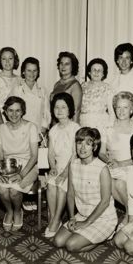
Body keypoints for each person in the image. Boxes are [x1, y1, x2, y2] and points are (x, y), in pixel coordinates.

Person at [53, 127, 117, 252]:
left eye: (88, 144)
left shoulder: (102, 168)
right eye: (79, 142)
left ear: (94, 147)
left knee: (71, 245)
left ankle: (106, 235)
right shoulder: (73, 164)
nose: (82, 147)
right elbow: (70, 194)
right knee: (58, 241)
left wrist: (87, 223)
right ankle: (87, 235)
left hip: (103, 218)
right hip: (82, 215)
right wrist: (72, 217)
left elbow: (105, 202)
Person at [0, 96, 39, 231]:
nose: (14, 114)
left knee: (14, 190)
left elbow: (34, 156)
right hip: (7, 166)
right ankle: (9, 211)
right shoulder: (1, 128)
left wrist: (21, 174)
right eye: (10, 110)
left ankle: (18, 211)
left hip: (28, 167)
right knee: (2, 190)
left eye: (17, 111)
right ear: (5, 112)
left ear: (23, 111)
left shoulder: (31, 127)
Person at [99, 91, 133, 214]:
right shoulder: (107, 127)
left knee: (119, 184)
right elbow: (101, 153)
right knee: (108, 181)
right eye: (118, 107)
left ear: (132, 109)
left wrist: (120, 164)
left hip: (132, 166)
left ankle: (130, 213)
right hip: (113, 165)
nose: (121, 111)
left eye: (125, 107)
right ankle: (132, 212)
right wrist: (109, 161)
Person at [45, 93, 80, 237]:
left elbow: (76, 154)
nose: (59, 110)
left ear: (70, 109)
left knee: (61, 186)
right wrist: (53, 167)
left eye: (63, 107)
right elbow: (51, 153)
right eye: (56, 107)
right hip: (59, 167)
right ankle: (54, 218)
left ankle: (56, 219)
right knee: (51, 184)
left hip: (73, 168)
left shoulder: (75, 128)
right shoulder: (53, 130)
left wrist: (65, 173)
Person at [10, 57, 51, 136]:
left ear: (38, 72)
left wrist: (43, 129)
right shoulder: (17, 89)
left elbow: (46, 113)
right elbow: (12, 112)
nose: (32, 74)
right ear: (23, 72)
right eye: (29, 70)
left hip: (39, 131)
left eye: (34, 70)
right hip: (20, 131)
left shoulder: (43, 90)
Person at [80, 58, 114, 136]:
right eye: (94, 70)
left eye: (99, 70)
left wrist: (109, 128)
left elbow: (111, 112)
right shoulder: (82, 86)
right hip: (83, 123)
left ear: (103, 74)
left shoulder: (107, 88)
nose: (96, 72)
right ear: (89, 72)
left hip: (101, 125)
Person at [0, 47, 21, 131]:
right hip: (1, 119)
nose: (7, 62)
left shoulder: (19, 79)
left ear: (15, 60)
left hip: (16, 118)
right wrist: (2, 127)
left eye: (10, 58)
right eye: (4, 59)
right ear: (0, 60)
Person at [110, 43, 133, 119]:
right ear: (117, 60)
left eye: (127, 58)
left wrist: (130, 125)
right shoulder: (114, 79)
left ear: (131, 61)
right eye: (121, 58)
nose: (124, 61)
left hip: (130, 121)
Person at [49, 51, 82, 123]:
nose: (63, 66)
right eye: (61, 63)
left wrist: (73, 132)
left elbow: (76, 112)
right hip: (55, 125)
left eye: (67, 64)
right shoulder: (57, 84)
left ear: (73, 66)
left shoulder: (75, 85)